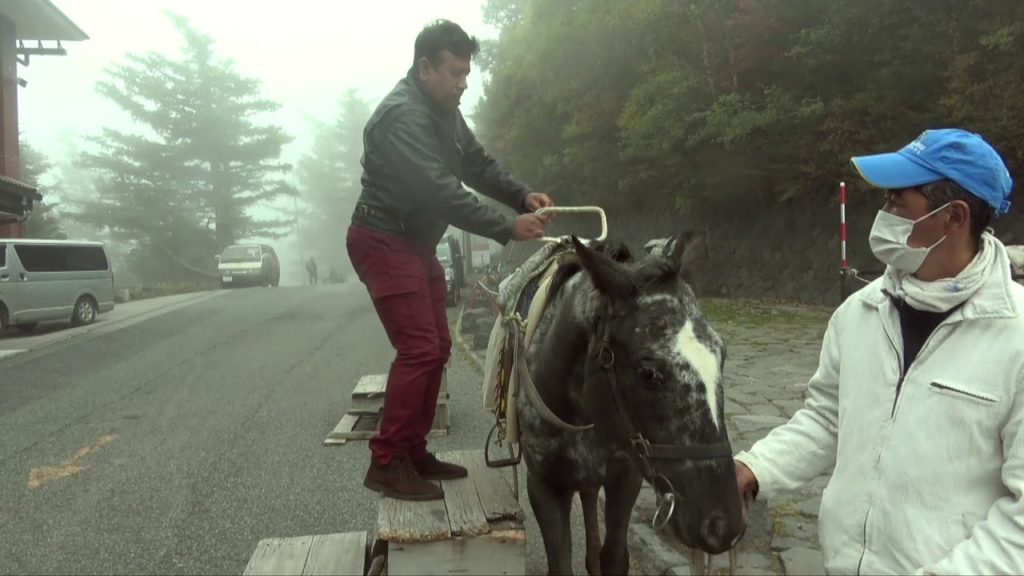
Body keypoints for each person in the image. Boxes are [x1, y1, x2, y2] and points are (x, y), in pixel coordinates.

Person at [733, 128, 1022, 574]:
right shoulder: (858, 314)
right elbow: (828, 418)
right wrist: (755, 467)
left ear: (955, 217)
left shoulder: (1015, 336)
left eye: (896, 201)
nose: (882, 212)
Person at [346, 19, 553, 501]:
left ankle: (413, 451)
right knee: (419, 347)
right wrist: (507, 228)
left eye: (466, 74)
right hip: (380, 238)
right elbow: (439, 191)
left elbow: (477, 164)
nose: (464, 84)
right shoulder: (402, 117)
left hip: (411, 243)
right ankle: (387, 461)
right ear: (425, 68)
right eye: (455, 74)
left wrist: (521, 196)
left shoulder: (444, 110)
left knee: (437, 345)